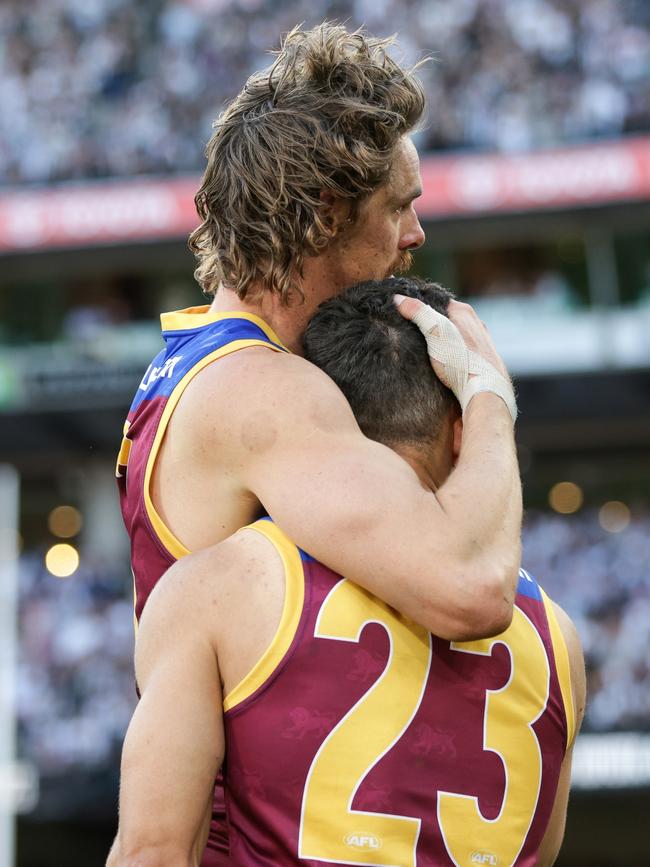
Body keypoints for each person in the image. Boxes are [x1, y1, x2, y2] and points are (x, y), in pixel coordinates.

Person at [116, 22, 522, 863]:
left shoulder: (197, 358)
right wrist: (489, 401)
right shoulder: (270, 394)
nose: (415, 235)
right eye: (399, 206)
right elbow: (468, 589)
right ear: (326, 213)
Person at [110, 278, 585, 867]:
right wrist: (491, 398)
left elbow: (152, 853)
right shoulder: (557, 637)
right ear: (464, 434)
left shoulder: (217, 589)